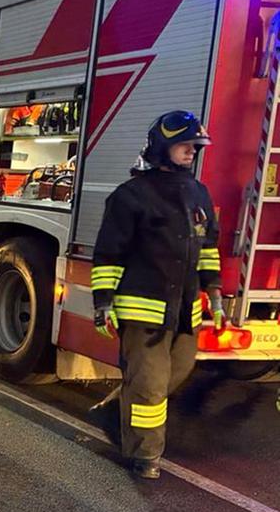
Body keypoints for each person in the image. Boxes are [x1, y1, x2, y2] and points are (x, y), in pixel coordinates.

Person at [91, 110, 220, 479]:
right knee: (148, 385)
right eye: (185, 145)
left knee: (172, 374)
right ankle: (145, 456)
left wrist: (214, 288)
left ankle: (113, 412)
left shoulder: (198, 192)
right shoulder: (130, 196)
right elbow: (109, 254)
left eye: (195, 147)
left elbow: (208, 246)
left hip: (184, 310)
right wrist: (103, 302)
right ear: (162, 147)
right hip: (143, 309)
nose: (192, 152)